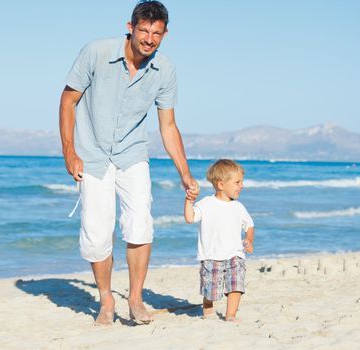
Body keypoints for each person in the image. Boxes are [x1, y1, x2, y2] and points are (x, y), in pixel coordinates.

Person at [59, 1, 199, 326]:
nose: (149, 38)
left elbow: (168, 126)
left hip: (132, 153)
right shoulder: (96, 52)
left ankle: (135, 298)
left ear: (165, 35)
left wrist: (184, 172)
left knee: (140, 224)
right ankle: (106, 300)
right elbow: (68, 99)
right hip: (92, 154)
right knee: (96, 234)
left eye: (157, 33)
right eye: (144, 30)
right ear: (130, 27)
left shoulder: (165, 70)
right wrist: (69, 150)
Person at [184, 159, 255, 322]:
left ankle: (230, 315)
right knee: (210, 290)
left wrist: (249, 239)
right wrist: (189, 201)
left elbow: (249, 225)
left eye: (241, 182)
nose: (242, 186)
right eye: (237, 182)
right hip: (211, 256)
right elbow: (190, 218)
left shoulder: (238, 207)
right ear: (221, 184)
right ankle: (208, 310)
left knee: (236, 285)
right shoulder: (207, 204)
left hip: (235, 255)